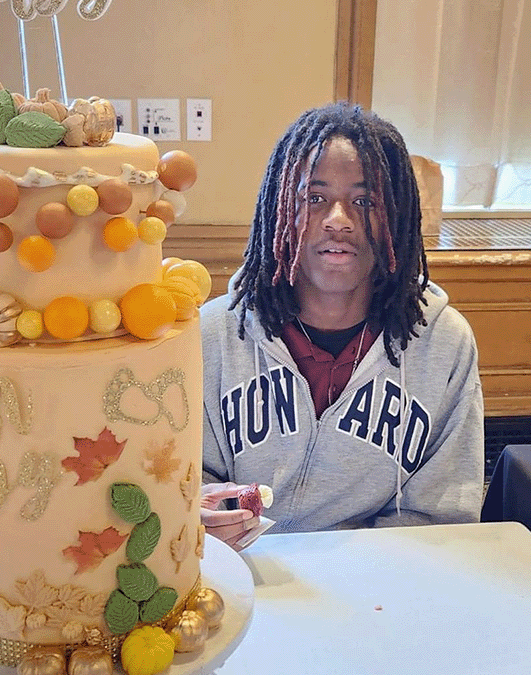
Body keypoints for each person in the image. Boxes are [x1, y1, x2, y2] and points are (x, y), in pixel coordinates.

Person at [200, 102, 484, 548]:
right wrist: (198, 506)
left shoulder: (445, 343)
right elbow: (178, 477)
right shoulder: (213, 334)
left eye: (365, 200)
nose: (337, 219)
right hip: (241, 573)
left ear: (398, 216)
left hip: (381, 580)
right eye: (314, 198)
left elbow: (442, 514)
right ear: (280, 210)